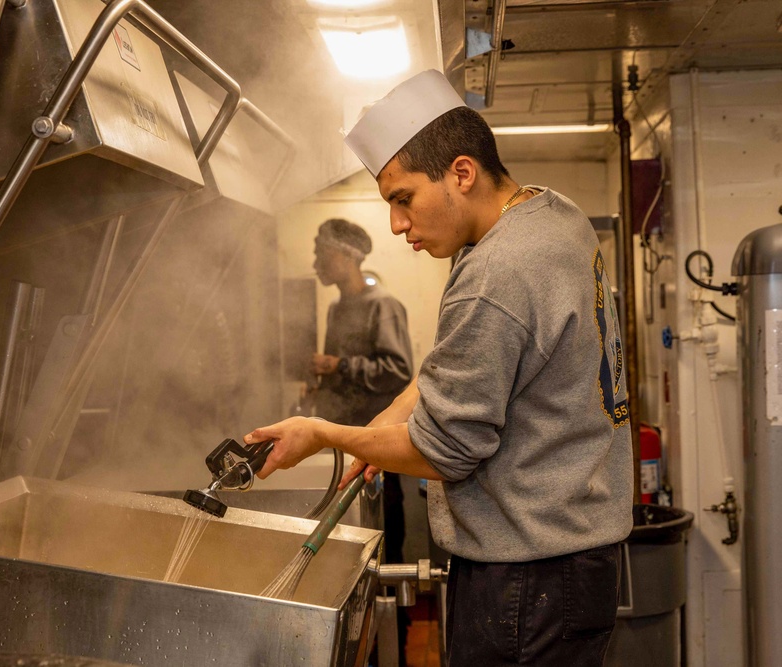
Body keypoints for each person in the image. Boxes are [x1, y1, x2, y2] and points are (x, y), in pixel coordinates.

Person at [245, 69, 633, 666]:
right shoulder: (553, 215)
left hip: (527, 579)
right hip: (571, 559)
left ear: (461, 172)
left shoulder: (496, 274)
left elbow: (444, 452)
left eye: (403, 199)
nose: (398, 226)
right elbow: (450, 369)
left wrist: (321, 433)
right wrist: (376, 434)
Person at [309, 217, 413, 664]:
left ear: (347, 255)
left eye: (321, 253)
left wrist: (340, 367)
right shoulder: (335, 308)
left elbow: (399, 371)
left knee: (384, 550)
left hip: (377, 452)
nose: (315, 262)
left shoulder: (382, 304)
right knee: (347, 556)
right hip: (342, 448)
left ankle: (393, 650)